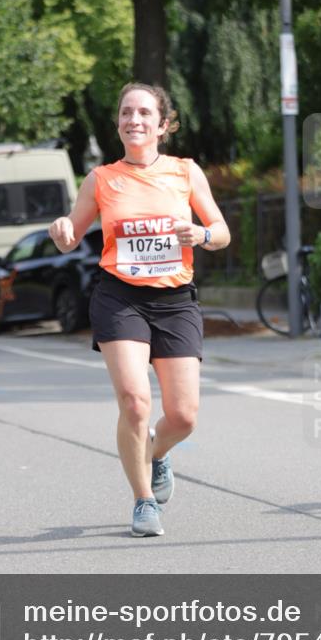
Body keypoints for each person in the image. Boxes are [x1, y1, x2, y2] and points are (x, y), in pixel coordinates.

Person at [49, 82, 230, 537]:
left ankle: (155, 453)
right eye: (127, 112)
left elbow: (221, 230)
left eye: (145, 113)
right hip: (120, 296)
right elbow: (73, 231)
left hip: (175, 300)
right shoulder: (101, 179)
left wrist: (202, 235)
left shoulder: (185, 172)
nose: (135, 120)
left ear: (163, 125)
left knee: (184, 415)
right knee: (135, 402)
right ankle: (144, 500)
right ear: (118, 123)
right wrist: (63, 230)